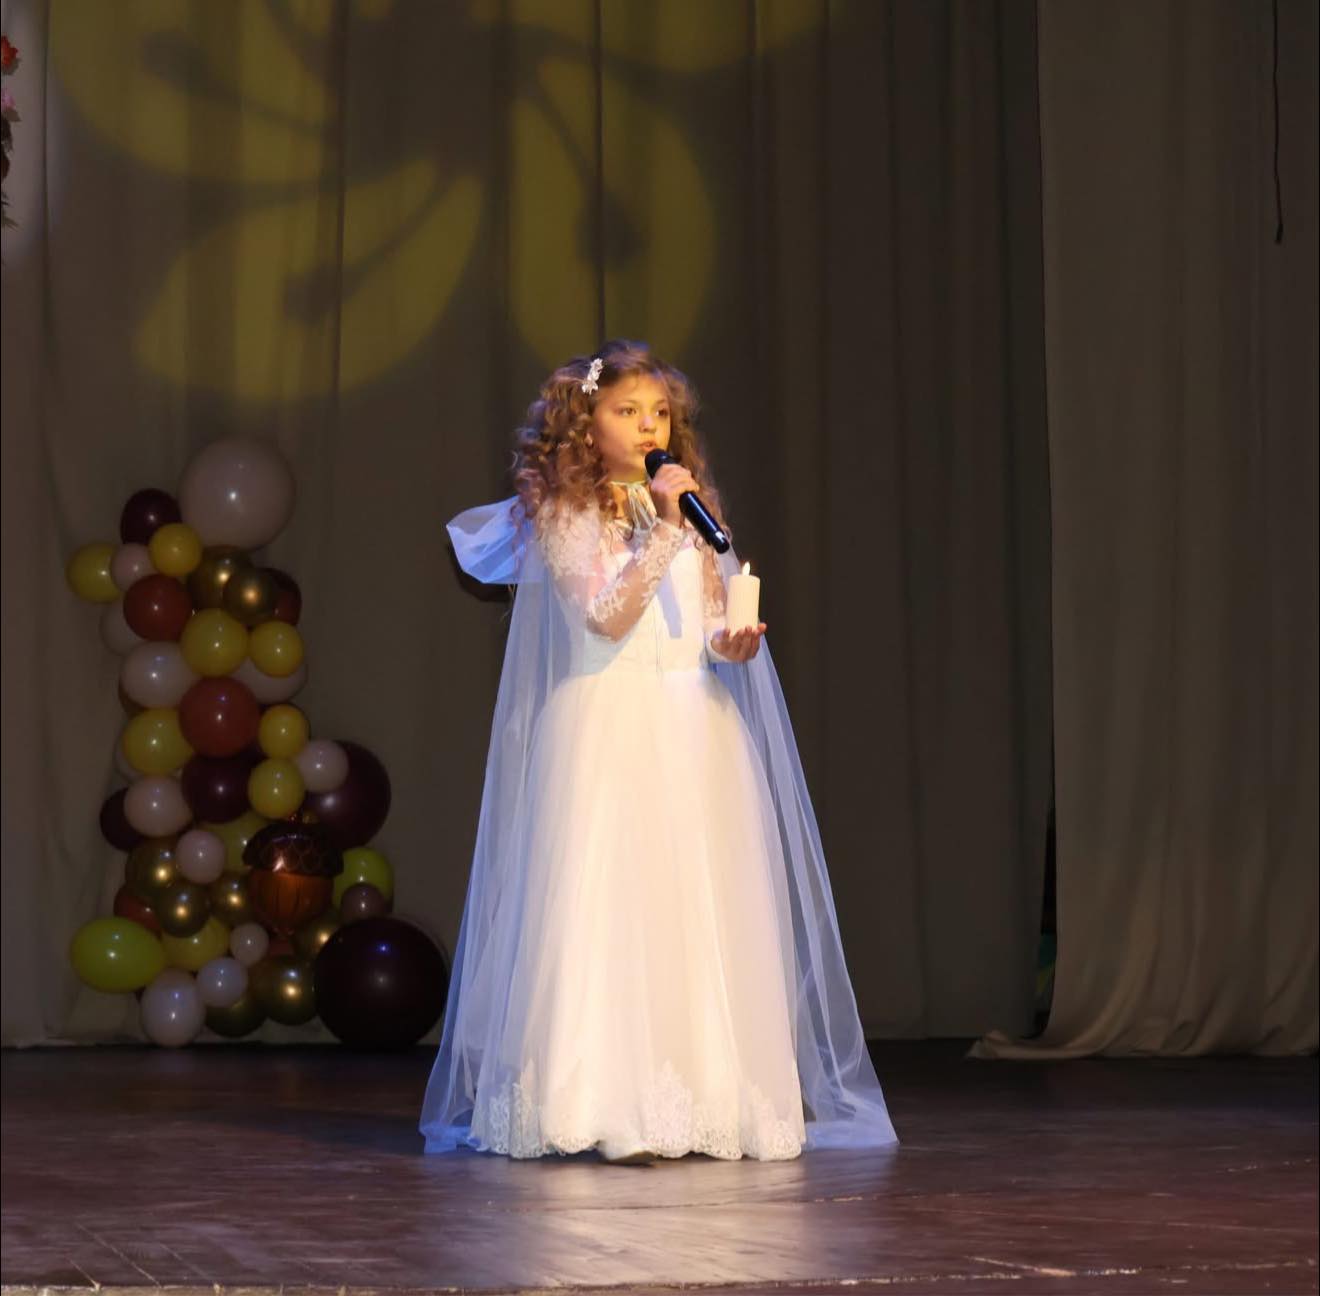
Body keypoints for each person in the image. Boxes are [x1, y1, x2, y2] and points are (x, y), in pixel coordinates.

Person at [420, 339, 897, 1162]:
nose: (649, 427)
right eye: (627, 411)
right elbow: (605, 617)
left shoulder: (693, 513)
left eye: (661, 413)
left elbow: (709, 621)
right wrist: (668, 532)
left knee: (694, 914)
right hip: (607, 727)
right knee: (611, 911)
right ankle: (599, 1105)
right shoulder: (567, 514)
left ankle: (701, 1101)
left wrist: (730, 641)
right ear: (586, 424)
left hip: (693, 726)